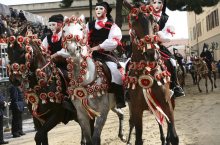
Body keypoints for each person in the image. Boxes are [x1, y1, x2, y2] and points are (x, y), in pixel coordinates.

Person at [86, 1, 126, 108]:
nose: (98, 11)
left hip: (105, 54)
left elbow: (113, 41)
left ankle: (119, 99)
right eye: (96, 9)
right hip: (89, 54)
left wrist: (97, 47)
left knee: (116, 72)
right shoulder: (89, 24)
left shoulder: (112, 26)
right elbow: (83, 37)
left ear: (106, 11)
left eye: (100, 9)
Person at [150, 0, 185, 97]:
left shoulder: (166, 18)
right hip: (145, 46)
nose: (156, 5)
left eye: (159, 2)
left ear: (163, 4)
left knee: (172, 61)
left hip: (159, 46)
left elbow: (168, 36)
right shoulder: (145, 15)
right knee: (128, 62)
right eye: (154, 2)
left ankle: (175, 86)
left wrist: (159, 34)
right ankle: (128, 89)